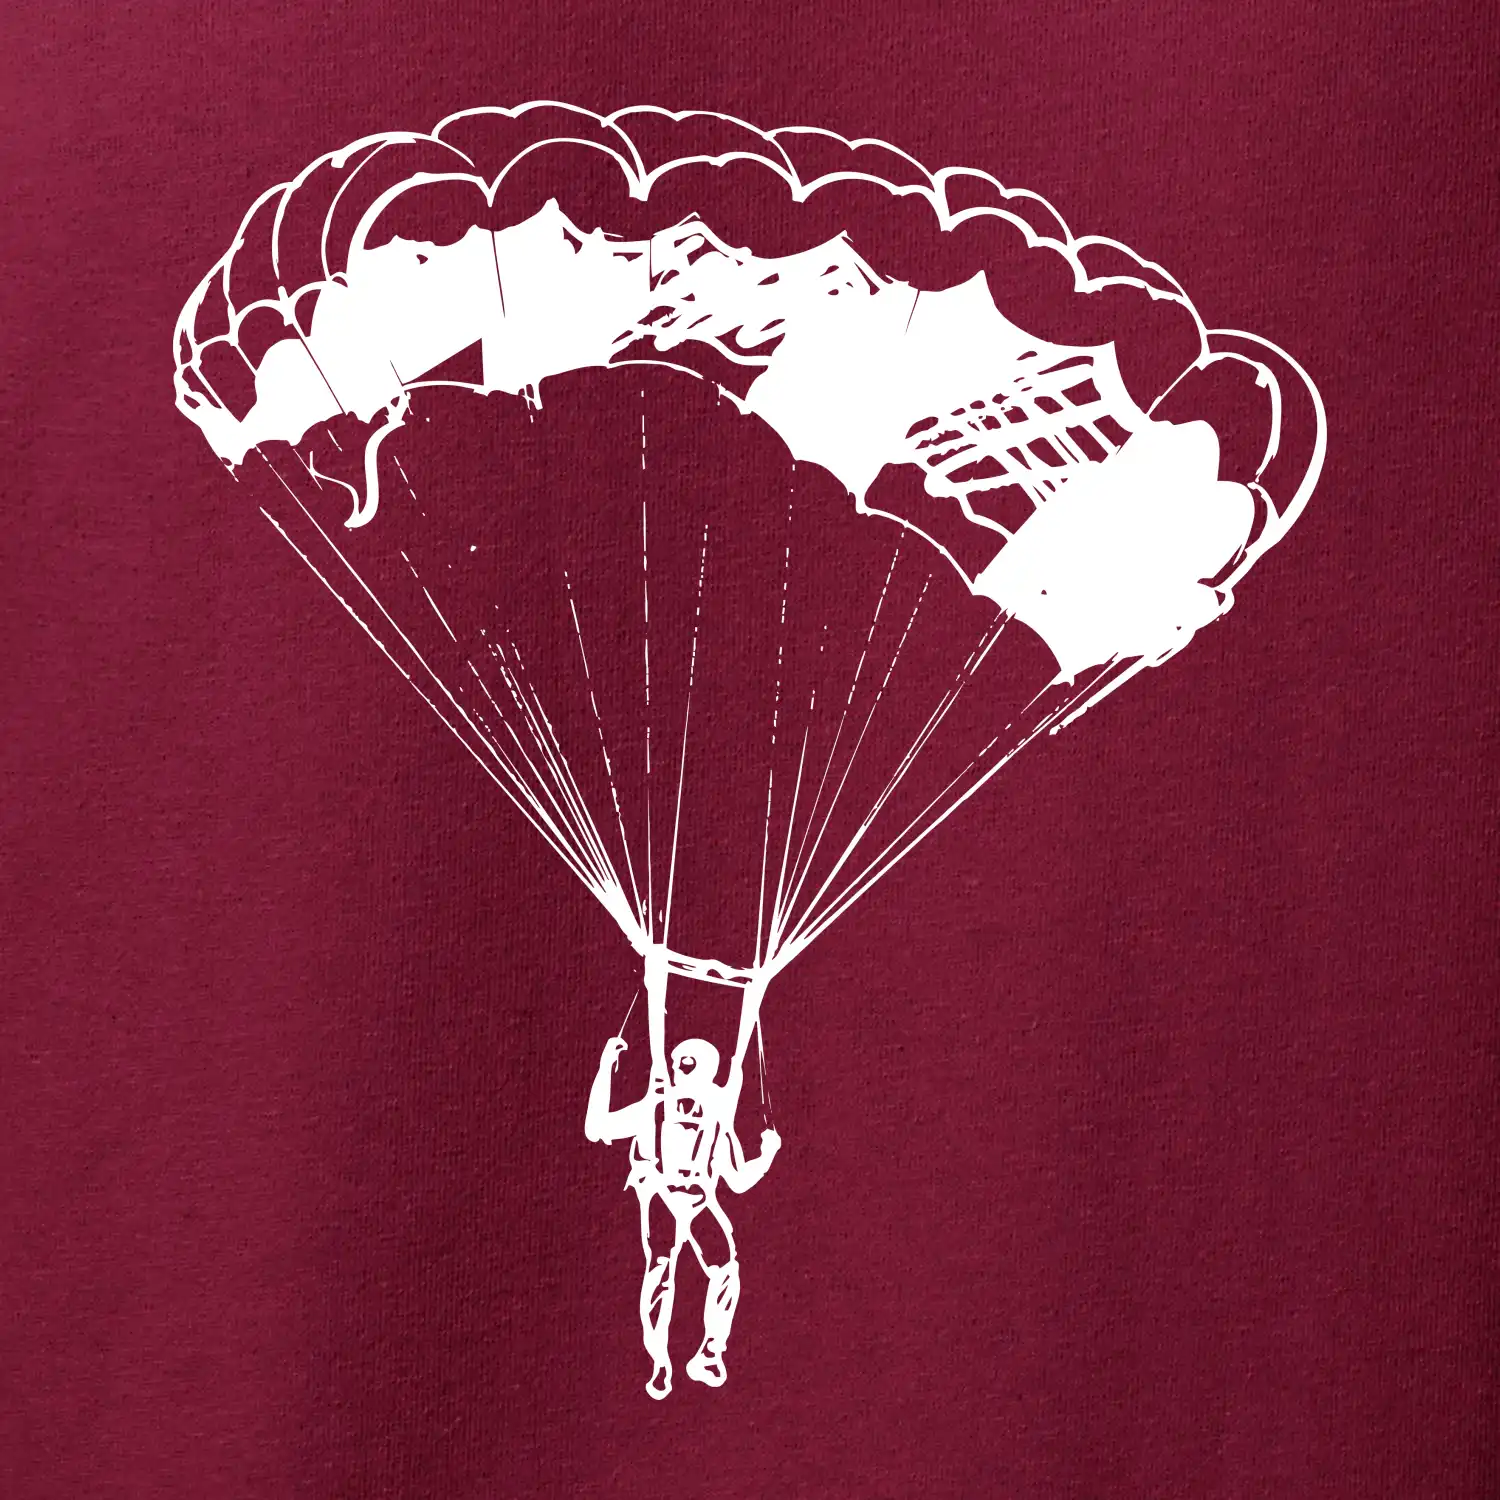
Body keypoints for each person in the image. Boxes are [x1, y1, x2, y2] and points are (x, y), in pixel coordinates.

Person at [585, 1032, 780, 1399]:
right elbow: (597, 1128)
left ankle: (709, 1352)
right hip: (662, 1196)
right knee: (661, 1269)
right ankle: (659, 1361)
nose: (682, 1072)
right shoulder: (654, 1108)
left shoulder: (717, 1121)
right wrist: (605, 1069)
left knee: (725, 1268)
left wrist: (766, 1157)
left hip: (700, 1201)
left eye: (690, 1065)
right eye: (680, 1065)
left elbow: (738, 1179)